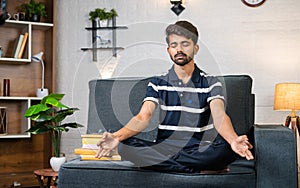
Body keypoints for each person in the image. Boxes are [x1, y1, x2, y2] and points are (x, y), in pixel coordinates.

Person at [95, 20, 254, 173]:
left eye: (185, 44)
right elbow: (143, 117)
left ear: (195, 48)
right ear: (168, 50)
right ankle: (194, 170)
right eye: (174, 45)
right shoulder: (157, 82)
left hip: (198, 149)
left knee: (227, 150)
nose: (179, 49)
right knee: (125, 146)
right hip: (164, 148)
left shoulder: (211, 83)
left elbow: (219, 116)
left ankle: (168, 166)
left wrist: (233, 140)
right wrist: (116, 137)